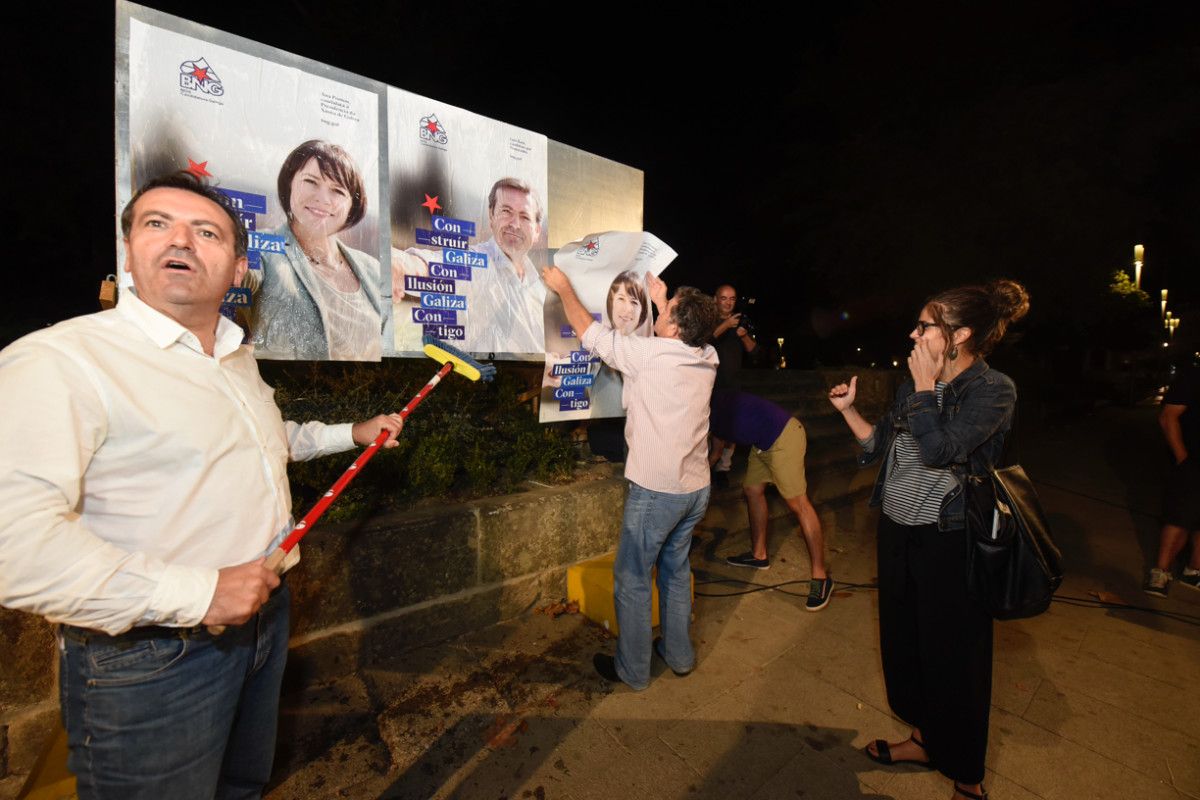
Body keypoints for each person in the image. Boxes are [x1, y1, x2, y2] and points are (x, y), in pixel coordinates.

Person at [0, 172, 405, 799]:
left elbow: (265, 440)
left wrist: (350, 433)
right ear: (129, 252)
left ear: (237, 268)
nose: (181, 240)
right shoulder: (62, 360)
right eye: (157, 224)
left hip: (265, 621)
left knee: (241, 786)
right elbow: (15, 548)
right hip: (149, 659)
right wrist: (200, 593)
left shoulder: (235, 357)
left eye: (207, 231)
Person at [828, 279, 1029, 800]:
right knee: (907, 644)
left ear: (958, 334)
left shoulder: (992, 390)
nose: (912, 332)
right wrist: (850, 411)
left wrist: (923, 392)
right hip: (897, 530)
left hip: (950, 539)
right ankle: (922, 739)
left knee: (956, 658)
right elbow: (882, 449)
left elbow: (942, 452)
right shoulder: (912, 384)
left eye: (924, 325)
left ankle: (967, 775)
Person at [542, 265, 719, 690]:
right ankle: (679, 656)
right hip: (696, 489)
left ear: (675, 324)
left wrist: (565, 287)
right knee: (676, 571)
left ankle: (633, 670)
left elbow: (590, 332)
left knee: (634, 577)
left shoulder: (648, 355)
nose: (663, 306)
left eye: (668, 307)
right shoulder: (707, 356)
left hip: (657, 492)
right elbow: (683, 333)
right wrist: (663, 303)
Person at [247, 139, 384, 361]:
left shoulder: (373, 270)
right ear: (289, 183)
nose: (323, 198)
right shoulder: (260, 247)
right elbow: (241, 278)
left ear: (352, 205)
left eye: (338, 191)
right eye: (311, 181)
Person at [393, 177, 547, 354]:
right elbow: (420, 267)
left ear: (536, 231)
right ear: (491, 216)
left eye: (525, 216)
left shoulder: (539, 289)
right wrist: (397, 267)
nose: (515, 224)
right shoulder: (478, 264)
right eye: (506, 211)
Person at [711, 391, 833, 611]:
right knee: (751, 489)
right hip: (761, 445)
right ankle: (759, 555)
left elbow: (715, 453)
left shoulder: (714, 404)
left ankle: (820, 576)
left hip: (785, 437)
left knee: (798, 504)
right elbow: (717, 451)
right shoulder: (708, 413)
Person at [1144, 361, 1200, 597]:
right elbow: (1168, 417)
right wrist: (1182, 458)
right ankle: (1161, 572)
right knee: (1180, 516)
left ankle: (1194, 571)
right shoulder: (1194, 377)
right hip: (1193, 459)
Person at [710, 284, 758, 481]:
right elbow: (703, 342)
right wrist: (725, 325)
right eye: (724, 298)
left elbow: (755, 353)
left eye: (732, 298)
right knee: (711, 431)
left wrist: (744, 335)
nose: (728, 302)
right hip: (710, 385)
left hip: (733, 385)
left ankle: (723, 469)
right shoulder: (708, 320)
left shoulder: (741, 322)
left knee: (731, 431)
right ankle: (705, 467)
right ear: (716, 299)